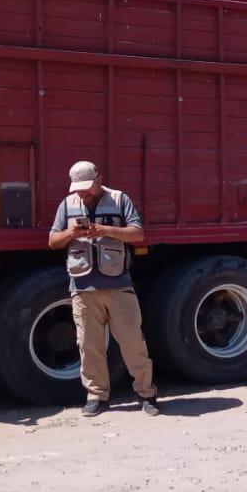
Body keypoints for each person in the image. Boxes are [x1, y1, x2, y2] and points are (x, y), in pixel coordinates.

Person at [47, 161, 160, 417]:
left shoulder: (120, 199)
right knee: (89, 344)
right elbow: (53, 241)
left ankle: (146, 393)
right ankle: (97, 396)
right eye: (78, 189)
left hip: (118, 284)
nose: (82, 193)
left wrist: (104, 230)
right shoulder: (67, 204)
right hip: (82, 286)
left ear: (99, 178)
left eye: (86, 188)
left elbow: (138, 234)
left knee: (133, 342)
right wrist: (70, 233)